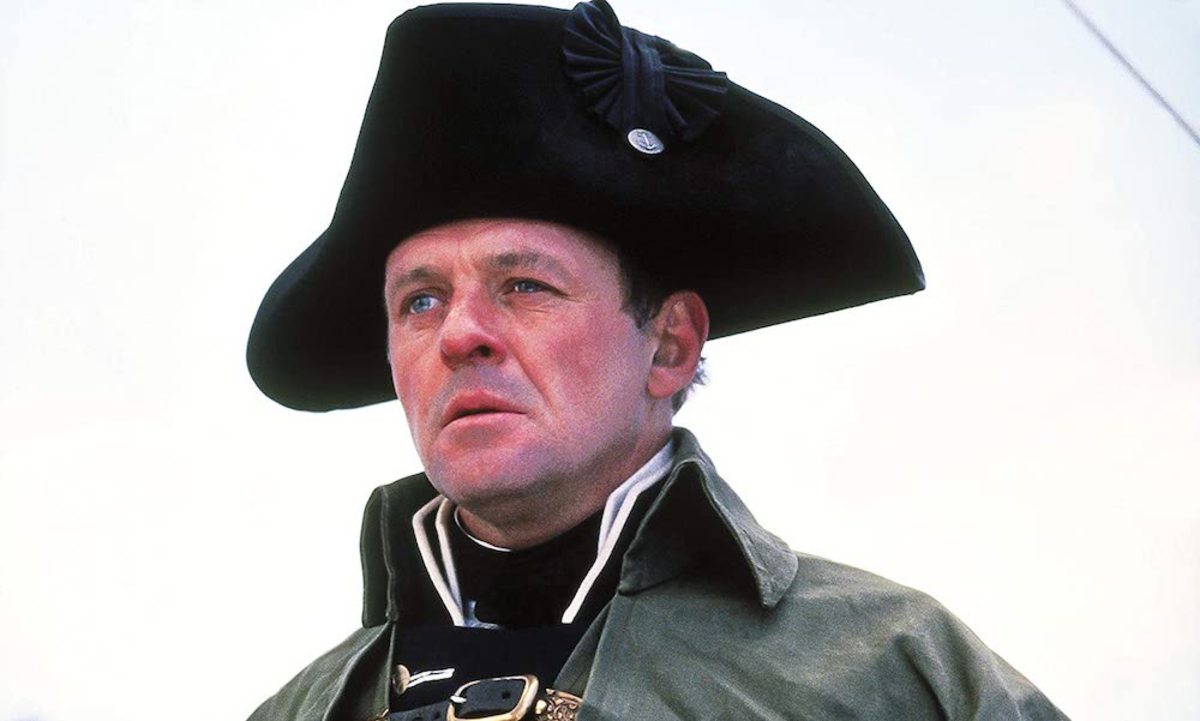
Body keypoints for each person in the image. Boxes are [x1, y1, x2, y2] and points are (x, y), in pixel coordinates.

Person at [245, 2, 1069, 719]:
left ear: (670, 344)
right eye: (420, 301)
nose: (459, 334)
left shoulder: (892, 675)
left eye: (524, 285)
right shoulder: (297, 710)